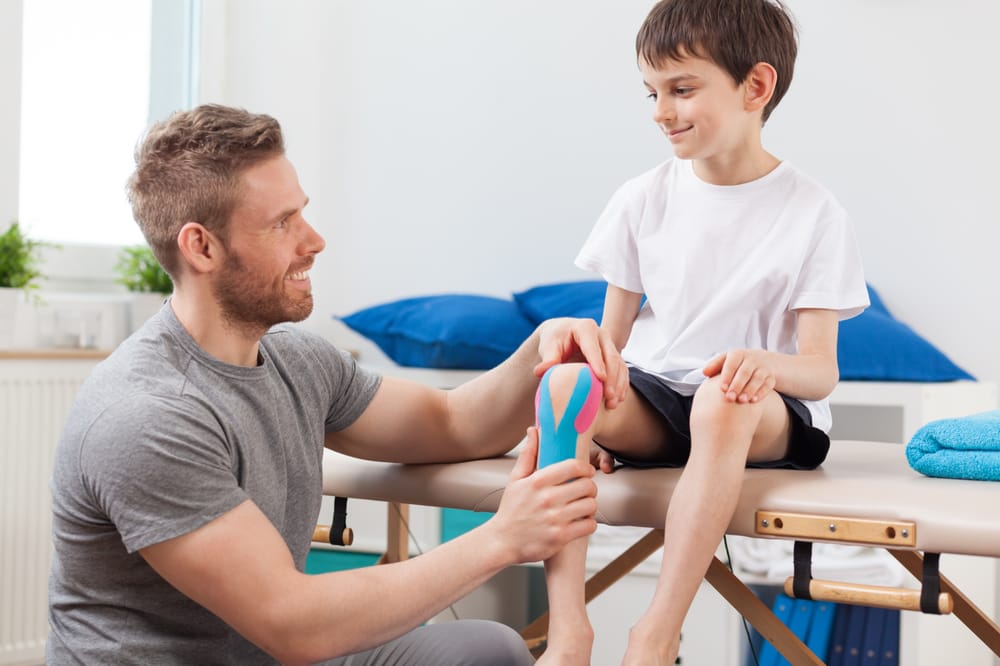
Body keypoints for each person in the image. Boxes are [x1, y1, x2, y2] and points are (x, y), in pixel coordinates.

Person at [46, 104, 629, 665]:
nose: (314, 240)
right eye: (282, 223)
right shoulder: (146, 415)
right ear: (202, 247)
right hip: (267, 644)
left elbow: (454, 424)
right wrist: (502, 538)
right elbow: (293, 624)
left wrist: (541, 346)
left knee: (487, 651)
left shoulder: (296, 360)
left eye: (302, 212)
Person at [535, 1, 870, 664]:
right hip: (663, 401)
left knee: (722, 395)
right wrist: (587, 423)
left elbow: (820, 371)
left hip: (764, 410)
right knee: (567, 383)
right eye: (652, 92)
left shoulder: (815, 213)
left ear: (756, 86)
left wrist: (764, 366)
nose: (661, 111)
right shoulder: (642, 198)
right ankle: (568, 629)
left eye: (682, 89)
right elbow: (611, 346)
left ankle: (656, 634)